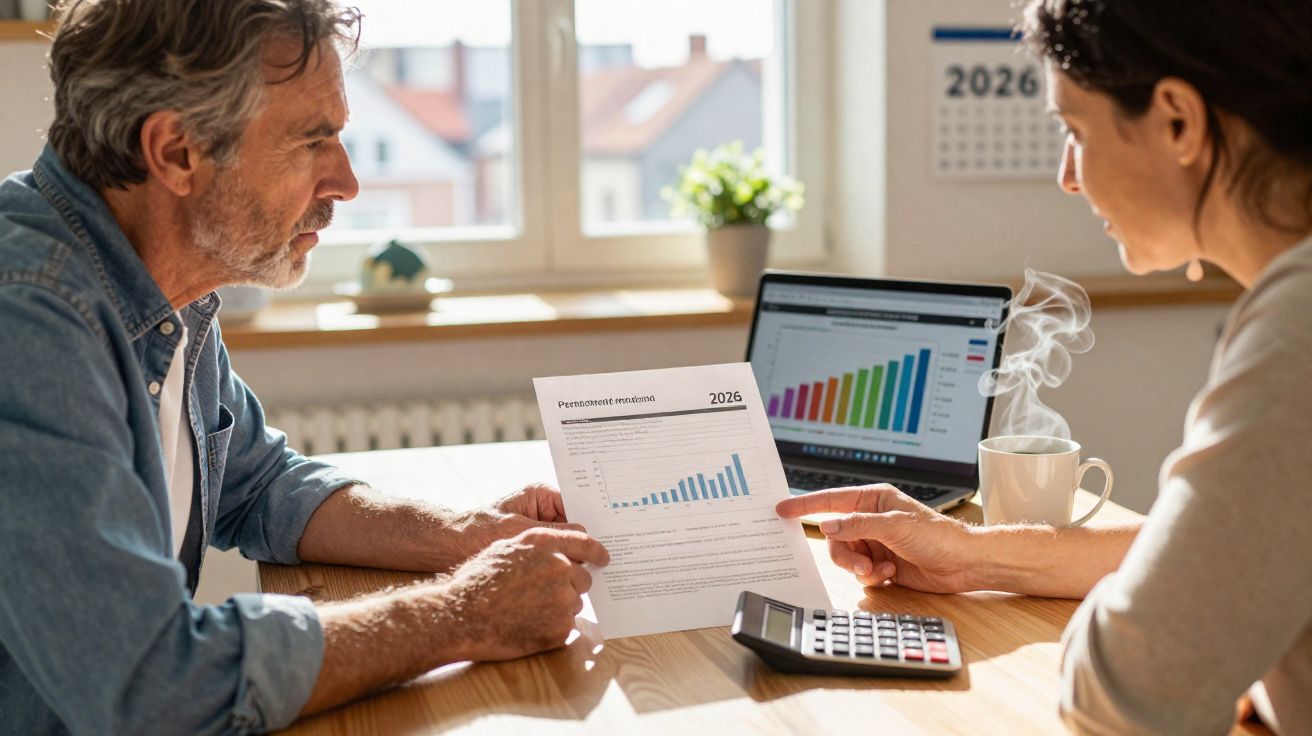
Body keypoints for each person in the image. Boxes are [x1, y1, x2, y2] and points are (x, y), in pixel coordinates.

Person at [0, 1, 608, 733]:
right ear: (177, 152)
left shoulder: (161, 285)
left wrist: (470, 534)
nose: (347, 182)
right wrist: (468, 610)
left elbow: (258, 486)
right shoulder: (30, 318)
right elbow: (150, 682)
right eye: (314, 140)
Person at [778, 0, 1312, 733]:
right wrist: (968, 555)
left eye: (1075, 130)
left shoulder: (1299, 329)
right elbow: (1216, 556)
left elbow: (1125, 697)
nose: (1067, 175)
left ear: (1178, 121)